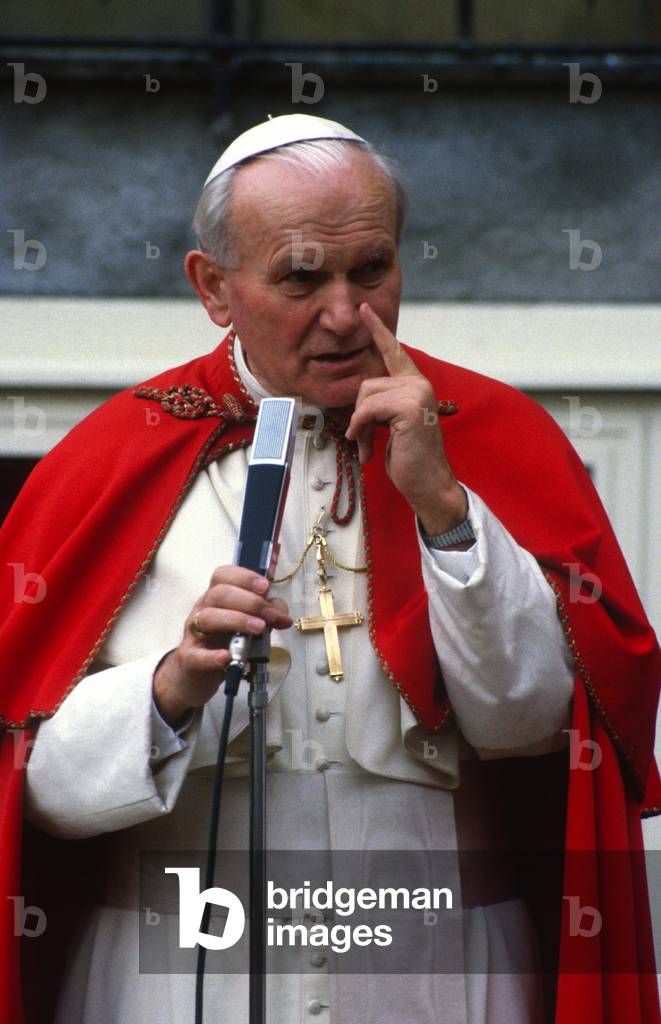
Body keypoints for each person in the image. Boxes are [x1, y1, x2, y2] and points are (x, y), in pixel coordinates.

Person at [1, 114, 659, 1024]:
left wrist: (445, 512)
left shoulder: (494, 438)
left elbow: (541, 728)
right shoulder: (107, 460)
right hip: (170, 975)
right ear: (213, 287)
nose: (346, 314)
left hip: (441, 970)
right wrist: (168, 689)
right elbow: (26, 790)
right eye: (302, 278)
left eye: (372, 270)